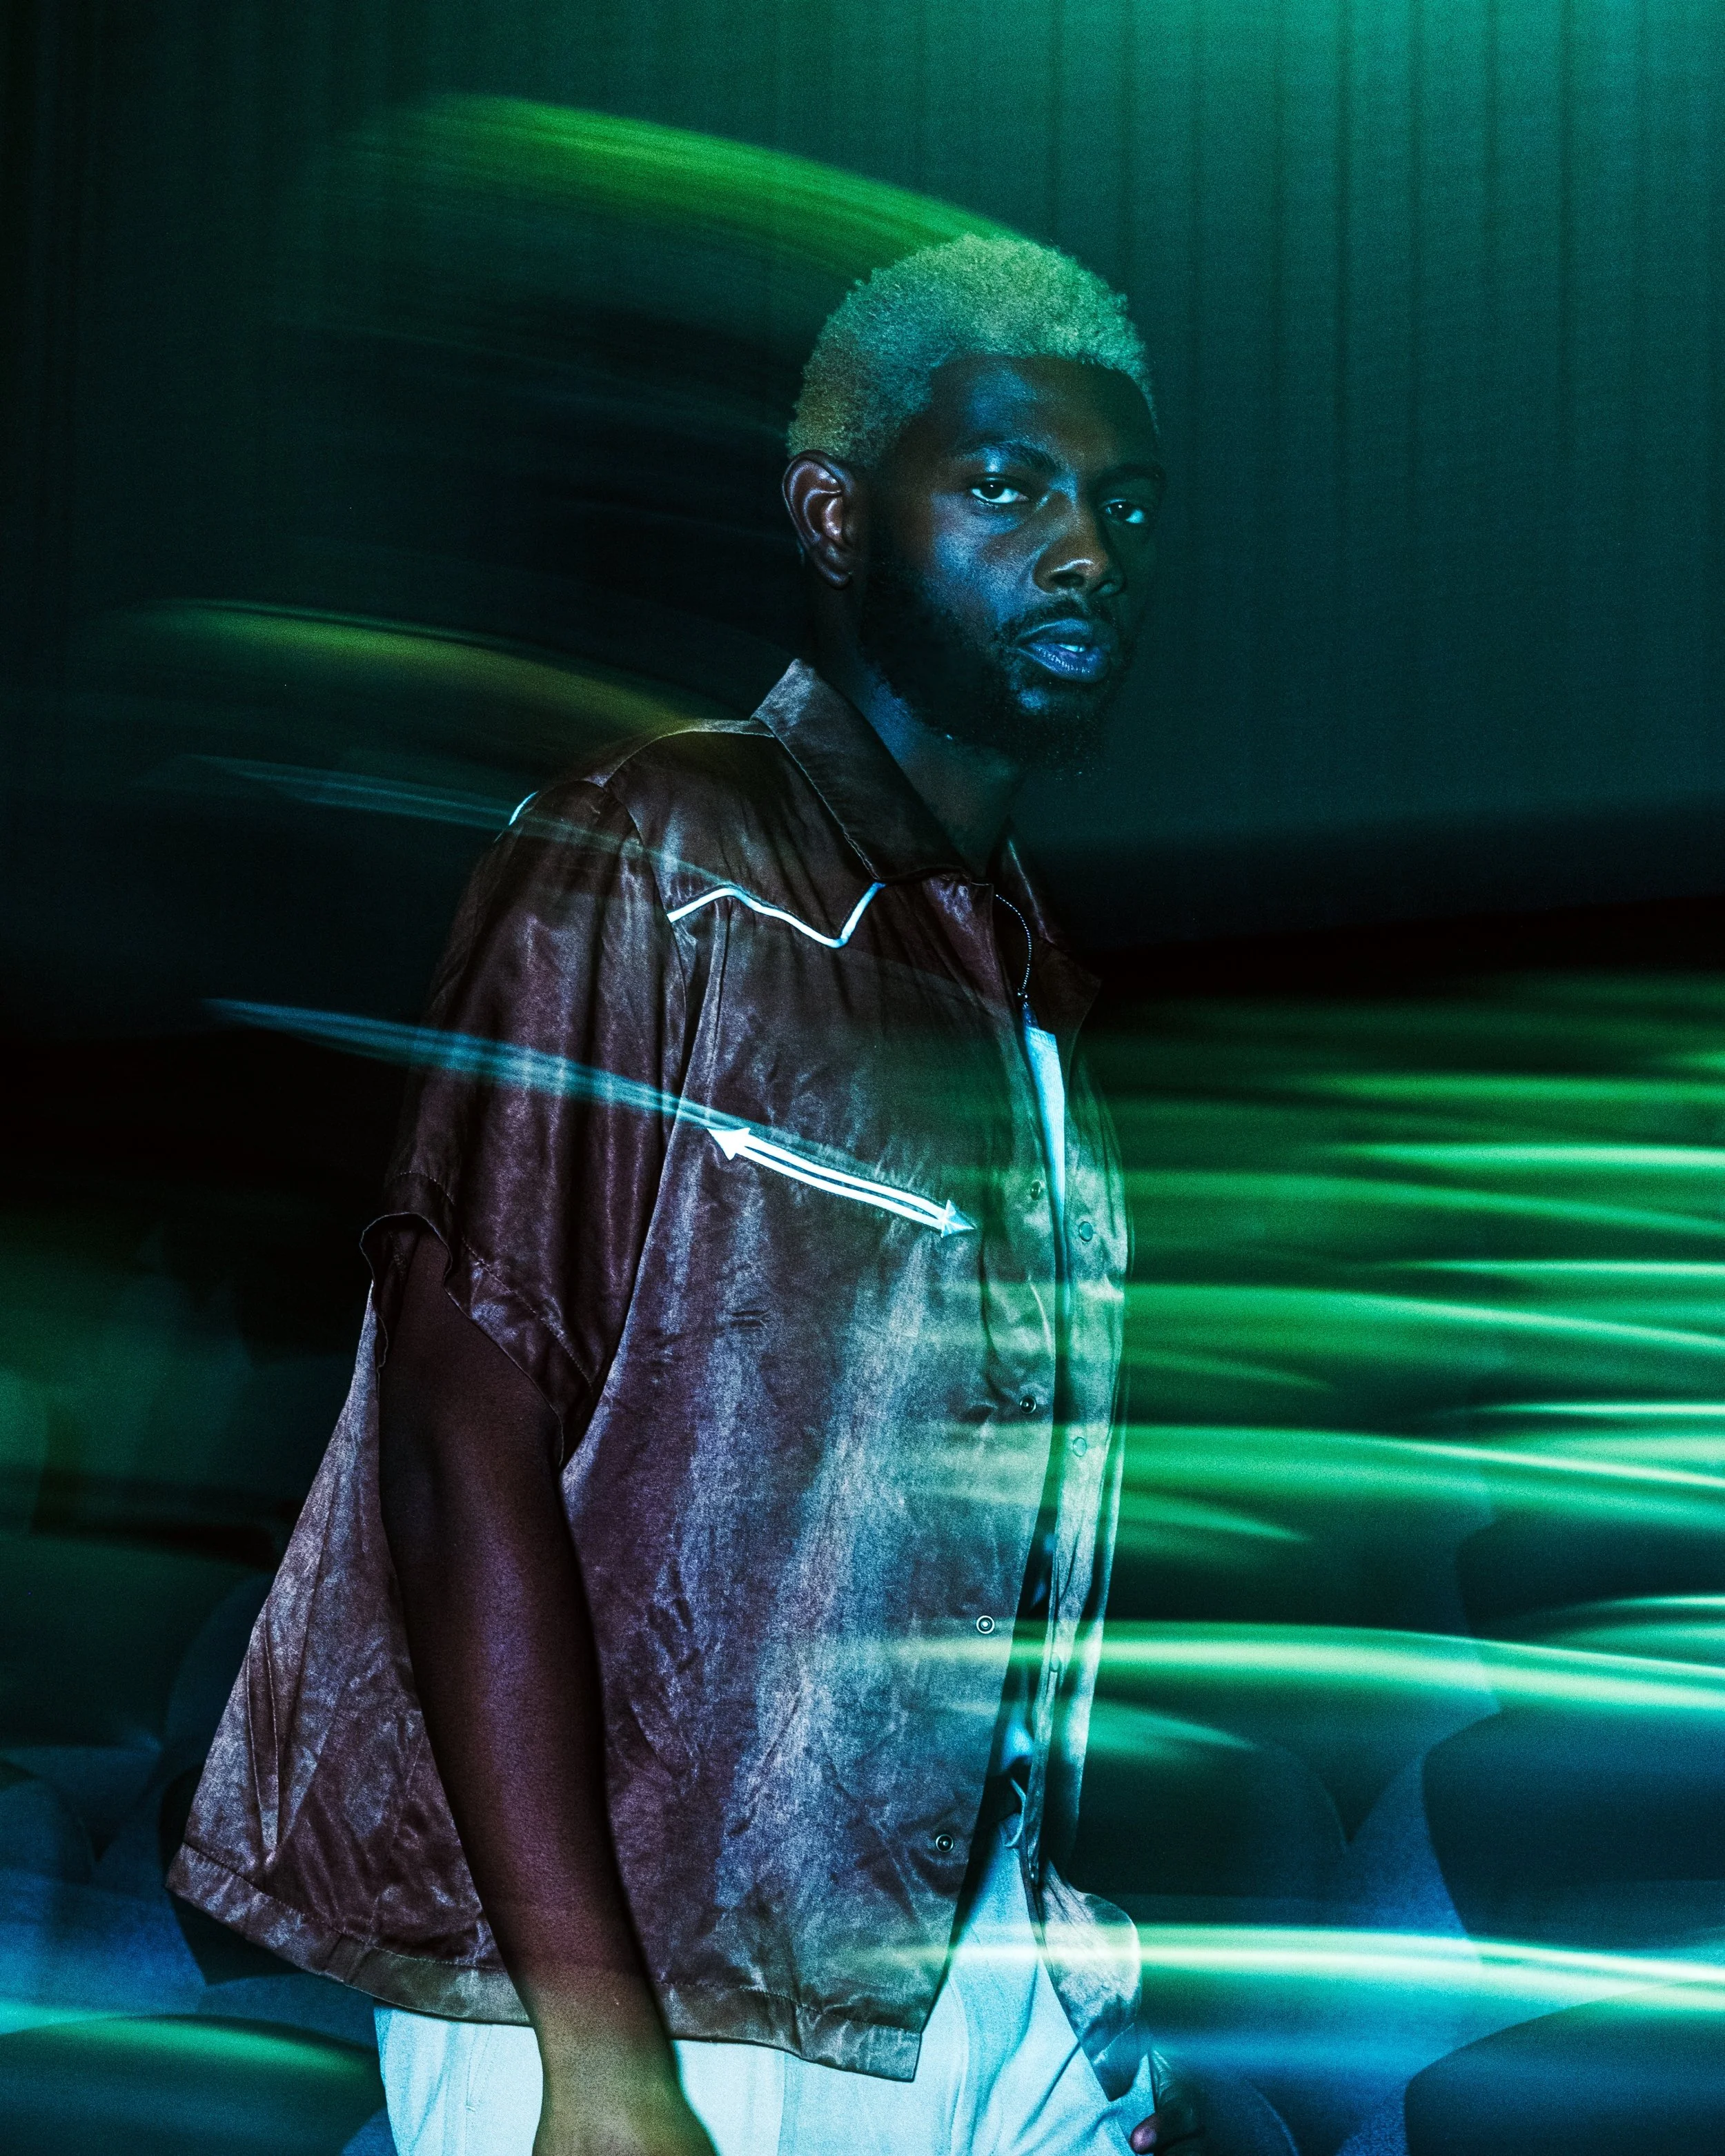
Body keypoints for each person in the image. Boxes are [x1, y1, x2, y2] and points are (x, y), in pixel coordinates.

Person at [170, 235, 1205, 2156]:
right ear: (829, 515)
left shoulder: (1026, 977)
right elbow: (452, 1442)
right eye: (1005, 487)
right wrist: (596, 2051)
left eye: (1119, 503)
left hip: (954, 1979)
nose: (1084, 548)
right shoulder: (652, 852)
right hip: (655, 1994)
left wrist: (1042, 1951)